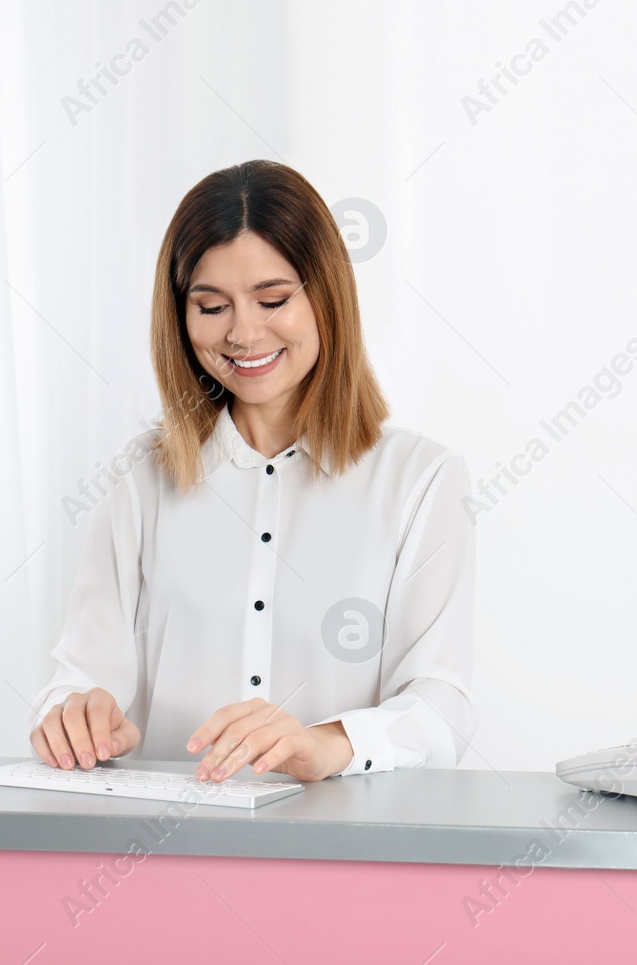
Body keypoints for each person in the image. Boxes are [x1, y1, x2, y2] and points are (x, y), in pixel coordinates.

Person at [27, 159, 475, 783]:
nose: (243, 332)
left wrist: (324, 744)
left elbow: (441, 707)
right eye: (211, 307)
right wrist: (78, 718)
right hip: (164, 852)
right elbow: (77, 680)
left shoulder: (422, 480)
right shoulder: (140, 479)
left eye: (272, 300)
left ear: (326, 295)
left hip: (342, 853)